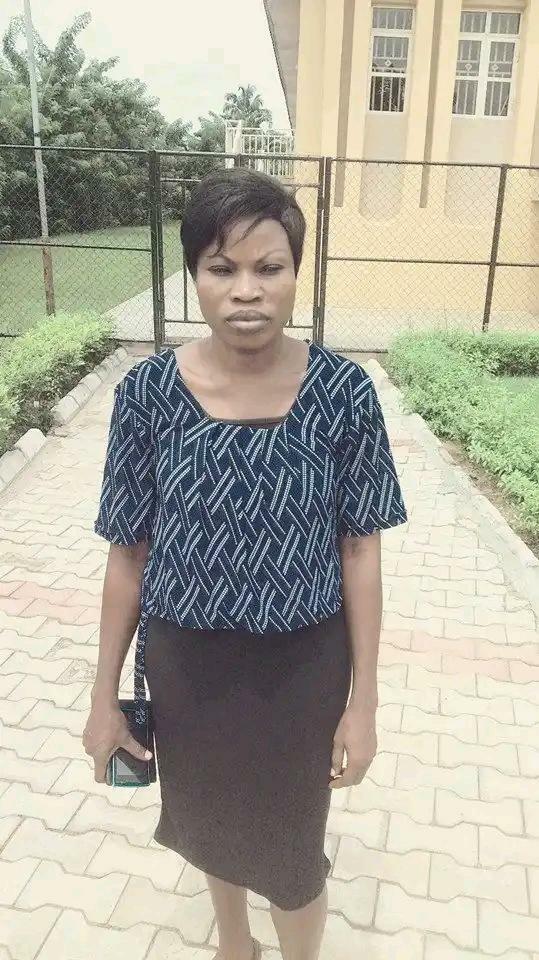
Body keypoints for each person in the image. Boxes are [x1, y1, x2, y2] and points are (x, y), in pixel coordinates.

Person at [83, 166, 408, 960]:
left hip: (302, 669)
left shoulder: (343, 392)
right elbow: (128, 553)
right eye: (221, 268)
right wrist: (101, 699)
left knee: (292, 858)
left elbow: (360, 549)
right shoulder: (147, 395)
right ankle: (235, 944)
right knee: (207, 822)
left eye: (269, 267)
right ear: (194, 275)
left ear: (297, 273)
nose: (246, 291)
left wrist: (363, 703)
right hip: (187, 665)